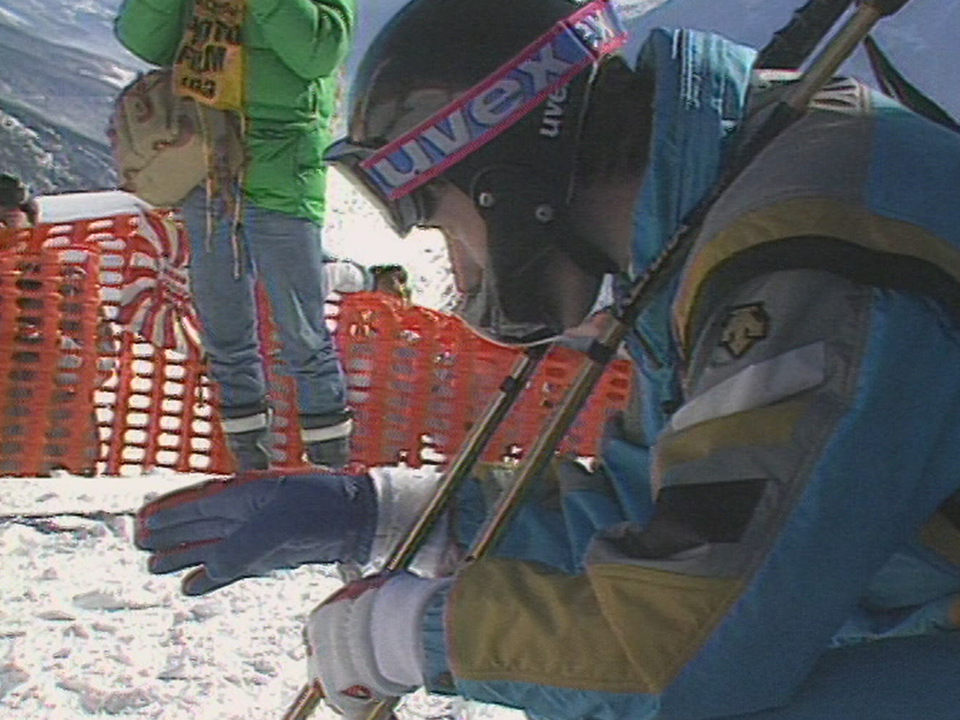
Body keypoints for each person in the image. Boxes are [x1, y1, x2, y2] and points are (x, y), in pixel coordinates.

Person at [132, 0, 960, 718]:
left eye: (442, 222)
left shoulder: (807, 261)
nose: (458, 272)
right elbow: (670, 520)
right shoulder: (719, 214)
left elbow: (685, 644)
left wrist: (416, 634)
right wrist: (383, 513)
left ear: (507, 181)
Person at [114, 0, 357, 471]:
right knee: (224, 330)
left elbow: (318, 55)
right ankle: (248, 463)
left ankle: (330, 468)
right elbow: (143, 40)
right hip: (206, 161)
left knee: (302, 330)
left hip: (280, 172)